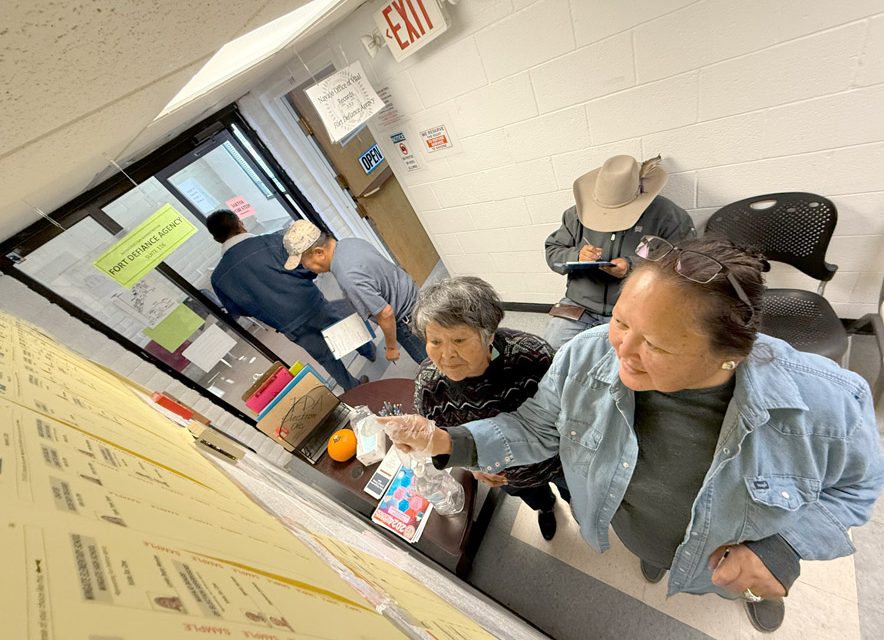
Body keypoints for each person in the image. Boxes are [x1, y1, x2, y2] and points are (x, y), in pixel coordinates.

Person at [382, 236, 884, 633]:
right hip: (639, 526)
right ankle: (657, 557)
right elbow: (537, 425)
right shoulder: (587, 354)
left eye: (656, 346)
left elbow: (857, 488)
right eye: (621, 321)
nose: (621, 351)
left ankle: (743, 593)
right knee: (651, 554)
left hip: (732, 548)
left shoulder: (827, 403)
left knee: (740, 584)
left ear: (729, 354)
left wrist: (785, 548)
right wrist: (446, 441)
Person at [411, 276, 571, 540]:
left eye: (459, 340)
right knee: (535, 498)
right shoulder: (429, 386)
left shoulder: (533, 357)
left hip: (558, 462)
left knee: (574, 493)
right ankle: (545, 507)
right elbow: (440, 436)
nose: (446, 354)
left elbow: (569, 416)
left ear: (489, 335)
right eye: (435, 342)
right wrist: (475, 466)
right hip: (509, 477)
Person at [206, 210, 374, 391]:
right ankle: (369, 352)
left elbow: (237, 309)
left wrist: (265, 310)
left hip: (286, 322)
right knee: (342, 328)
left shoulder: (218, 278)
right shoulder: (270, 242)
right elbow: (305, 266)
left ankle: (353, 388)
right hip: (310, 302)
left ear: (217, 239)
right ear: (240, 223)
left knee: (324, 356)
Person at [544, 154, 695, 349]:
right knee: (547, 356)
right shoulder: (575, 214)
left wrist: (633, 268)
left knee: (622, 368)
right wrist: (576, 256)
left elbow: (685, 265)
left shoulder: (670, 216)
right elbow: (553, 252)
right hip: (578, 305)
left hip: (636, 308)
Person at [284, 220, 428, 365]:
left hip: (407, 322)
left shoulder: (348, 276)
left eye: (303, 262)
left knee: (436, 370)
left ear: (319, 253)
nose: (305, 267)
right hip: (418, 300)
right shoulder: (350, 243)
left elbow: (385, 313)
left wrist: (391, 348)